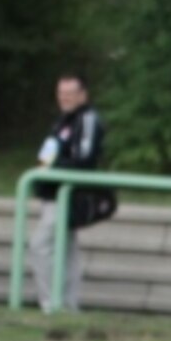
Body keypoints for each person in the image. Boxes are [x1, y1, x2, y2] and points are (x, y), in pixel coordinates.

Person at [29, 74, 105, 313]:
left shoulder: (88, 119)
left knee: (40, 245)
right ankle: (68, 306)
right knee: (66, 249)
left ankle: (52, 303)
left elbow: (84, 158)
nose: (65, 98)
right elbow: (46, 155)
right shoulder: (62, 121)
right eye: (61, 93)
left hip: (69, 194)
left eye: (70, 93)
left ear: (83, 95)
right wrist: (42, 174)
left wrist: (54, 169)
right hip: (53, 194)